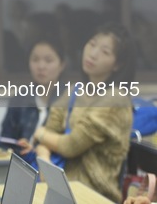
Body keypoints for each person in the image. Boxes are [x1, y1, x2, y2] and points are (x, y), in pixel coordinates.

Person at [32, 22, 136, 203]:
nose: (93, 54)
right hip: (61, 190)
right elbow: (49, 131)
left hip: (94, 194)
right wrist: (44, 158)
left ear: (117, 65)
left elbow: (70, 146)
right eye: (92, 44)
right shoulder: (74, 91)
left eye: (105, 52)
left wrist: (40, 134)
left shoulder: (116, 100)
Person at [0, 36, 66, 152]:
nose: (41, 66)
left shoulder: (70, 100)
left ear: (62, 65)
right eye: (35, 60)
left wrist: (35, 149)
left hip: (54, 165)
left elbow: (70, 145)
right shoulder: (19, 100)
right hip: (22, 165)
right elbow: (4, 141)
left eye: (48, 61)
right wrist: (16, 148)